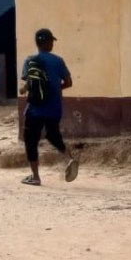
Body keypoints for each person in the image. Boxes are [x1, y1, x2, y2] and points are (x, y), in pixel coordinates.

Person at [19, 28, 77, 186]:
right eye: (52, 41)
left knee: (30, 141)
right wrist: (56, 90)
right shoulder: (58, 61)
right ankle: (69, 158)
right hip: (54, 107)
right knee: (53, 135)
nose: (52, 44)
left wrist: (24, 89)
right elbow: (69, 83)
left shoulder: (29, 60)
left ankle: (35, 176)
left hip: (35, 108)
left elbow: (30, 82)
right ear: (47, 42)